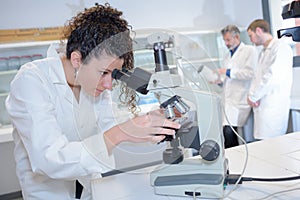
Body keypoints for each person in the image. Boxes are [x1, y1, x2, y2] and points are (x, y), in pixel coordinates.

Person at [5, 4, 180, 200]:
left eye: (113, 74)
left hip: (91, 190)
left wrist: (150, 125)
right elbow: (50, 159)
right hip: (49, 194)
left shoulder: (93, 85)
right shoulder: (31, 80)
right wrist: (121, 132)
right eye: (104, 72)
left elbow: (111, 133)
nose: (109, 85)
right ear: (77, 60)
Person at [246, 19, 293, 140]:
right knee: (264, 144)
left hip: (273, 105)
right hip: (263, 105)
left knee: (273, 145)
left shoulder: (281, 48)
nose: (250, 40)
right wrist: (252, 96)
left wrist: (253, 97)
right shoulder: (264, 52)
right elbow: (257, 78)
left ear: (258, 31)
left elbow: (273, 77)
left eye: (251, 36)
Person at [217, 25, 257, 148]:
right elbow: (227, 80)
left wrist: (228, 72)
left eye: (228, 40)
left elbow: (250, 73)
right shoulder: (227, 56)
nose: (226, 43)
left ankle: (234, 157)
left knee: (230, 132)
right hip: (230, 100)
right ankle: (232, 158)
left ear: (237, 37)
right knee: (228, 133)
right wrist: (219, 81)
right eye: (224, 40)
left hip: (242, 98)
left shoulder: (249, 51)